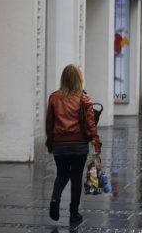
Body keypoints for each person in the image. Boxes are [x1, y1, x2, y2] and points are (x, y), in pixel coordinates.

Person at [45, 64, 102, 226]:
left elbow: (49, 123)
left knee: (62, 174)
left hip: (60, 144)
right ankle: (73, 213)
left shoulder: (54, 97)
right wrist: (96, 142)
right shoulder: (84, 98)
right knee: (76, 177)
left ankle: (55, 199)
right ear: (79, 79)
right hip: (79, 145)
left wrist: (50, 142)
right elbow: (91, 125)